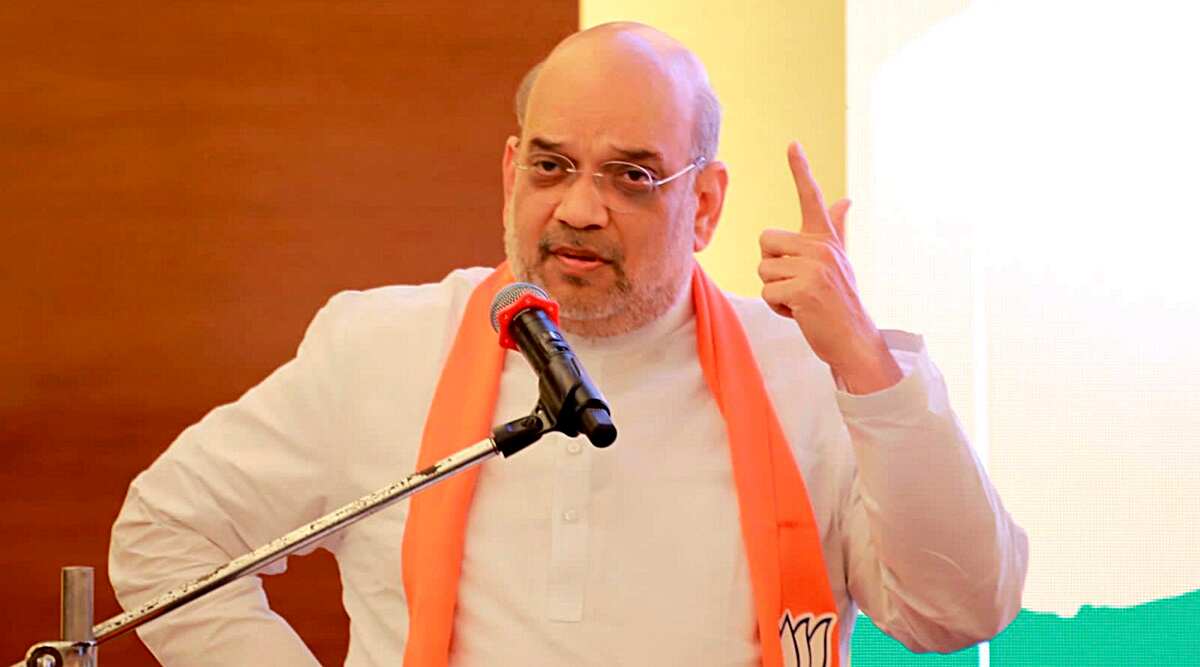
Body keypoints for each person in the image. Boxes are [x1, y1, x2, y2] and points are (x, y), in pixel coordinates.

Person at [109, 22, 1027, 667]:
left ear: (705, 204)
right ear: (512, 172)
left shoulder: (811, 370)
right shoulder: (381, 346)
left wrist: (864, 361)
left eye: (631, 177)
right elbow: (167, 535)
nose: (580, 208)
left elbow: (960, 610)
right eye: (552, 166)